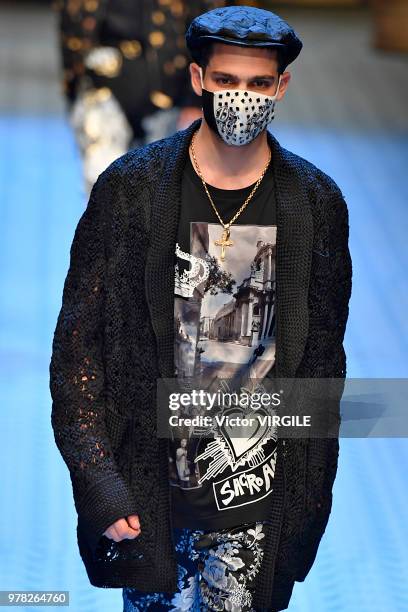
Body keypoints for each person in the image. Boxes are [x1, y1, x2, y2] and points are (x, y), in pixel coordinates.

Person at [49, 5, 352, 611]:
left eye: (259, 84)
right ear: (198, 79)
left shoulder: (316, 203)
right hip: (152, 496)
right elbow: (79, 349)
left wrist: (308, 505)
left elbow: (323, 363)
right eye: (227, 81)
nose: (242, 98)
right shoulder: (130, 191)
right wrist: (102, 486)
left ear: (281, 86)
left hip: (259, 505)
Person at [55, 0, 231, 193]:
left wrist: (197, 97)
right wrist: (74, 84)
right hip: (99, 81)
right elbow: (69, 19)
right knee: (103, 185)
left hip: (167, 84)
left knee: (158, 190)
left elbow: (208, 18)